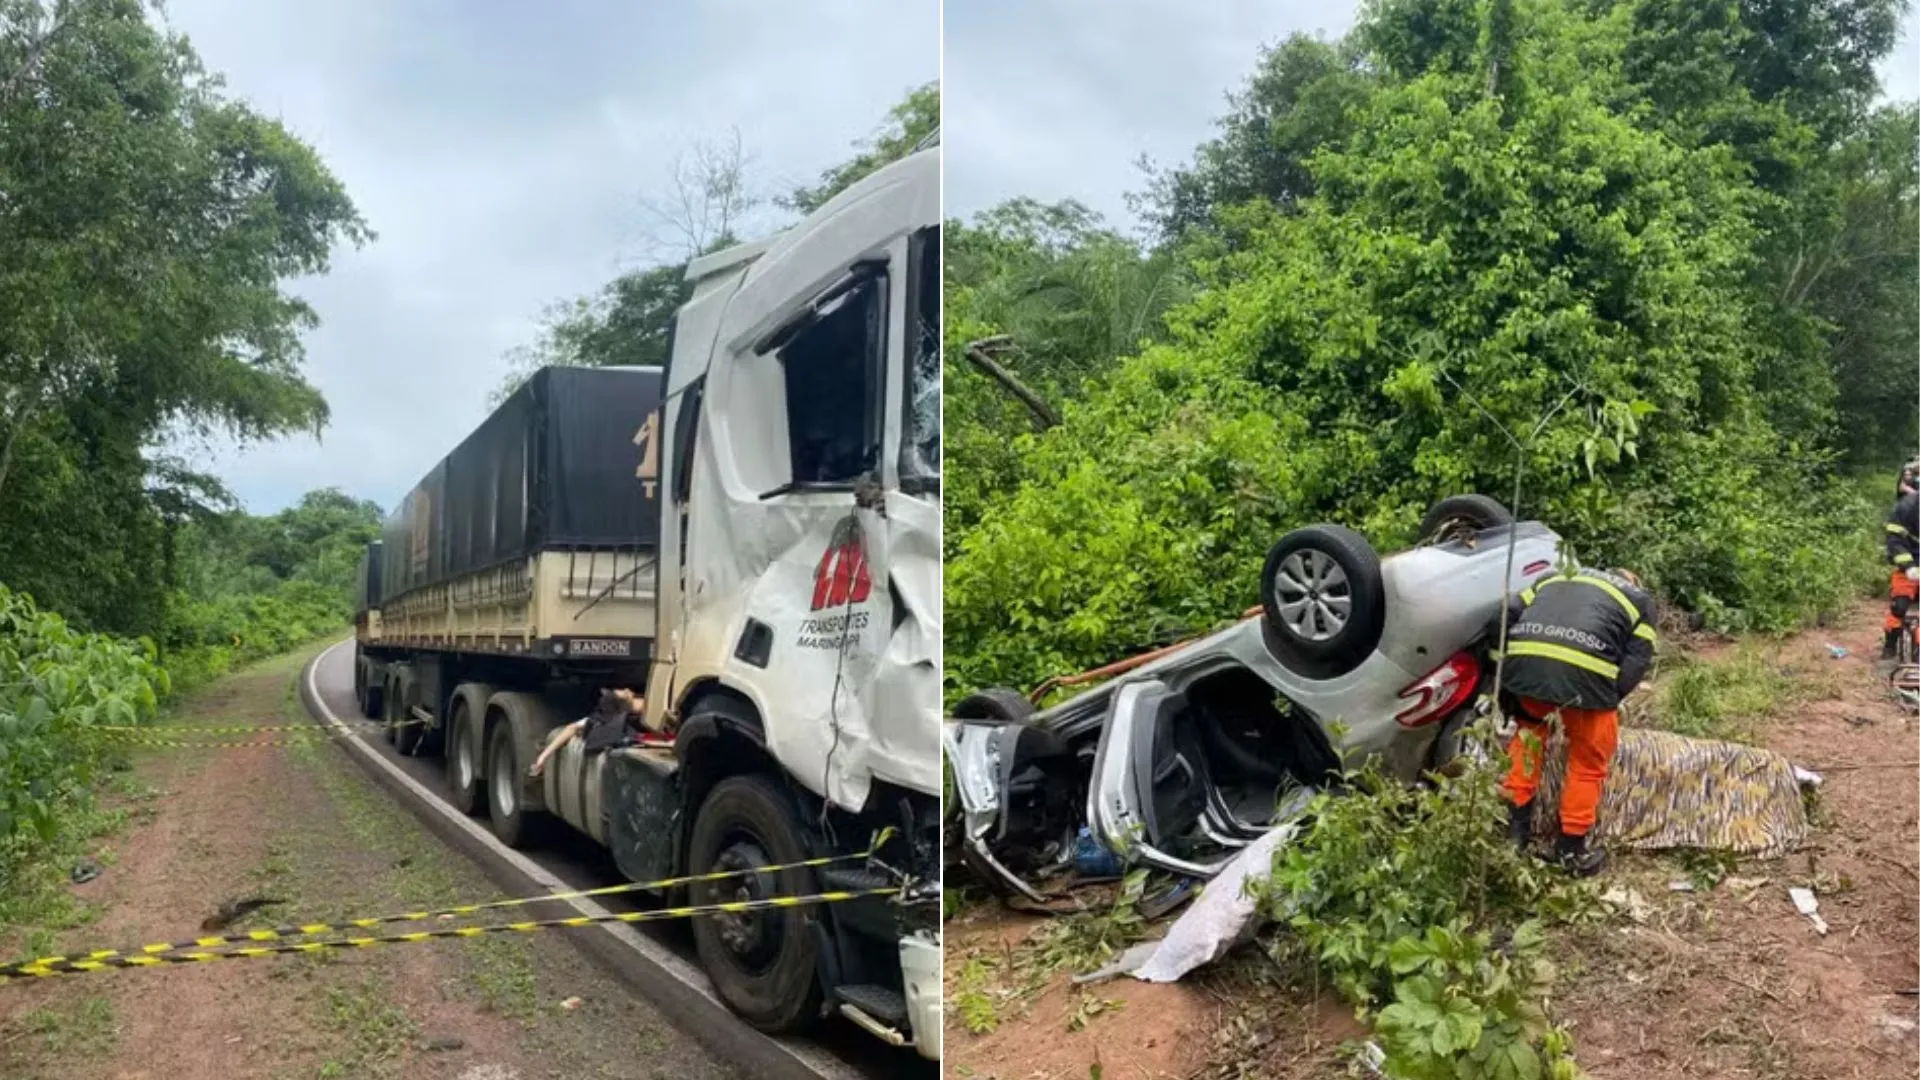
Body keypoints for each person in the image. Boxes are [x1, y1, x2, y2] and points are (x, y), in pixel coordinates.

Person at [1491, 565, 1657, 877]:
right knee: (1588, 762)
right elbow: (1636, 662)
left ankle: (1514, 836)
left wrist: (1507, 671)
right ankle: (1570, 850)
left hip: (1527, 666)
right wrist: (1608, 699)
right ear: (1632, 581)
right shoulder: (1639, 600)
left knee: (1526, 741)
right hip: (1586, 679)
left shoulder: (1555, 576)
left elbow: (1505, 614)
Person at [529, 687, 646, 777]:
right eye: (624, 692)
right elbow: (572, 728)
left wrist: (543, 756)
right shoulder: (610, 718)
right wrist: (543, 756)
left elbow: (572, 728)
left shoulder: (604, 719)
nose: (627, 689)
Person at [1885, 488, 1920, 660]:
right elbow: (1894, 539)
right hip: (1909, 568)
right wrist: (1908, 566)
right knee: (1899, 606)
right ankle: (1890, 644)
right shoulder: (1907, 506)